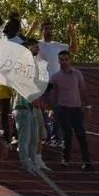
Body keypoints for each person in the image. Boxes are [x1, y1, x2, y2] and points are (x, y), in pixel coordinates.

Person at [0, 0, 37, 143]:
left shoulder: (22, 41)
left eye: (9, 25)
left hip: (14, 79)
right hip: (1, 78)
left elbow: (33, 51)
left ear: (16, 27)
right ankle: (6, 136)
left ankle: (15, 134)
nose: (5, 27)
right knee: (3, 109)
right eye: (6, 25)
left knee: (15, 109)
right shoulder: (3, 34)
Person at [12, 38, 52, 173]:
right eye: (35, 47)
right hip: (22, 106)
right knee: (25, 138)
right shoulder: (21, 64)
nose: (38, 49)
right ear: (28, 48)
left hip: (32, 107)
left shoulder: (33, 64)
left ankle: (33, 161)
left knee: (35, 138)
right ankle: (25, 163)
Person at [48, 50, 92, 171]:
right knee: (67, 135)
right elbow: (51, 94)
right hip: (63, 109)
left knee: (81, 135)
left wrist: (88, 106)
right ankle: (65, 159)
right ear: (58, 61)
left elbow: (83, 90)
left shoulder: (77, 74)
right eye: (62, 60)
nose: (64, 62)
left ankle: (86, 161)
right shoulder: (55, 77)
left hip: (76, 109)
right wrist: (52, 109)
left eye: (66, 59)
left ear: (69, 60)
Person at [38, 19, 77, 148]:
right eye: (46, 29)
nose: (49, 31)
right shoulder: (38, 44)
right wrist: (31, 28)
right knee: (41, 111)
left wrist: (72, 34)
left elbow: (73, 49)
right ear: (42, 31)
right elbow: (23, 45)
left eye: (51, 29)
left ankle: (56, 138)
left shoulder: (58, 45)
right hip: (42, 83)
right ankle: (47, 137)